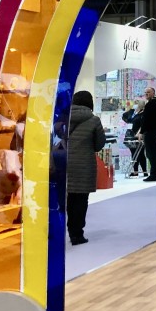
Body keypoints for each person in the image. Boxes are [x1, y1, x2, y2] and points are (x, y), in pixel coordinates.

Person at [66, 90, 106, 245]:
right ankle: (77, 234)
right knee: (80, 200)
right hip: (84, 166)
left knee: (66, 199)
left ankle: (61, 232)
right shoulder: (94, 120)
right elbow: (99, 144)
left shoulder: (63, 118)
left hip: (65, 164)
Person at [141, 86, 156, 181]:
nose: (146, 94)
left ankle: (154, 174)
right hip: (154, 131)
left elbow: (146, 120)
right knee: (152, 153)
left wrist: (141, 132)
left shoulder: (152, 104)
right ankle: (154, 173)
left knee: (151, 153)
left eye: (148, 92)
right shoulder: (154, 103)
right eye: (145, 92)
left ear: (153, 93)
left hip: (151, 132)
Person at [122, 100, 146, 175]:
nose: (135, 105)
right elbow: (125, 116)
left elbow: (143, 125)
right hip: (131, 135)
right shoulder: (132, 112)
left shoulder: (143, 113)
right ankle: (135, 171)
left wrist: (140, 133)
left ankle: (144, 171)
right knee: (133, 152)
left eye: (137, 104)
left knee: (141, 153)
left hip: (139, 135)